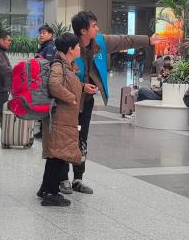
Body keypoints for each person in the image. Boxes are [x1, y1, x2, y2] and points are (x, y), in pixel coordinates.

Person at [60, 11, 159, 195]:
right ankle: (62, 179)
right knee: (66, 139)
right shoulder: (68, 47)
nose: (98, 28)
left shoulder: (100, 42)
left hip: (86, 102)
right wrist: (82, 87)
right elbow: (60, 79)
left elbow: (124, 40)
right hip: (68, 103)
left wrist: (148, 40)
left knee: (82, 139)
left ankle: (78, 179)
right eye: (94, 26)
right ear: (83, 30)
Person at [37, 33, 83, 207]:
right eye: (77, 46)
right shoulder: (59, 65)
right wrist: (71, 97)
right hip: (60, 118)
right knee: (58, 156)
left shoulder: (67, 66)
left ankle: (45, 189)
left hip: (64, 118)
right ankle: (51, 193)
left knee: (56, 155)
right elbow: (54, 85)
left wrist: (83, 87)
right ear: (70, 49)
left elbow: (64, 83)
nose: (79, 48)